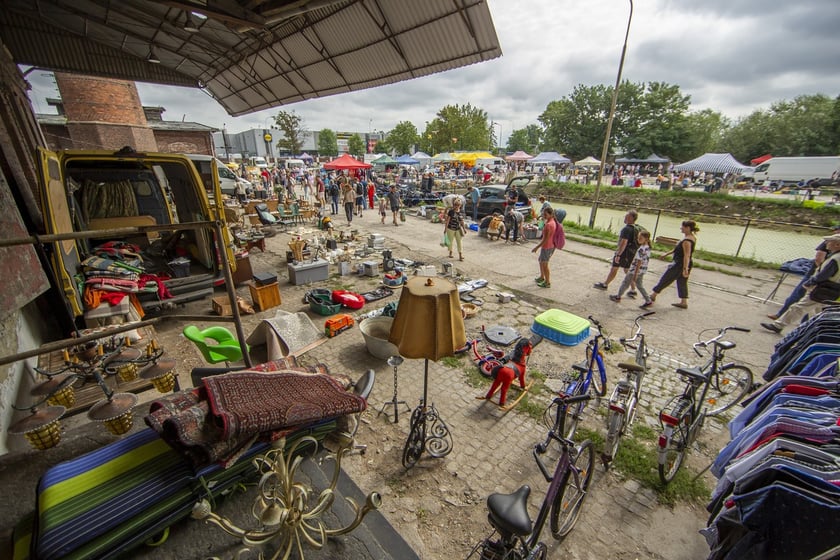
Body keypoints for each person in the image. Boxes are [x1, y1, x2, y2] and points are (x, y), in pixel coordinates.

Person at [761, 233, 840, 334]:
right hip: (832, 289)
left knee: (799, 307)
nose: (826, 243)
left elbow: (823, 275)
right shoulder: (836, 257)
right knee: (818, 311)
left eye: (829, 241)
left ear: (837, 245)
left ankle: (778, 325)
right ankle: (817, 331)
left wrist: (810, 282)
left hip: (823, 288)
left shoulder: (835, 259)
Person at [644, 220, 699, 309]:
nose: (681, 228)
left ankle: (653, 295)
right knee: (682, 282)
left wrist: (685, 268)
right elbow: (678, 249)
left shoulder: (687, 241)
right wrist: (667, 254)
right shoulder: (691, 237)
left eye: (683, 227)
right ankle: (684, 302)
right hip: (683, 263)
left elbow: (687, 255)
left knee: (666, 278)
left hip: (680, 264)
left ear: (688, 228)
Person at [593, 209, 641, 292]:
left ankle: (605, 284)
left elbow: (623, 242)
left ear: (631, 218)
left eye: (626, 216)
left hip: (623, 253)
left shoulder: (626, 229)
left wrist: (618, 254)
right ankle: (633, 289)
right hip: (631, 253)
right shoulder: (637, 228)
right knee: (627, 270)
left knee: (614, 268)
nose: (624, 218)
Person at [610, 230, 652, 304]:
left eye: (640, 238)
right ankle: (648, 300)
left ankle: (618, 297)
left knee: (625, 283)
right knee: (639, 285)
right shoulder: (647, 248)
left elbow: (639, 261)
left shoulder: (641, 249)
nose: (638, 239)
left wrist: (635, 273)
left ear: (646, 239)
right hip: (642, 270)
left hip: (635, 270)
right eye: (638, 238)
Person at [531, 206, 560, 288]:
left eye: (545, 214)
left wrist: (536, 247)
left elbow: (545, 239)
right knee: (541, 261)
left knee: (545, 264)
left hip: (547, 246)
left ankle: (547, 282)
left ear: (550, 215)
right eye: (543, 214)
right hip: (549, 246)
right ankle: (542, 277)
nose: (544, 215)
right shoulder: (552, 222)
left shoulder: (549, 225)